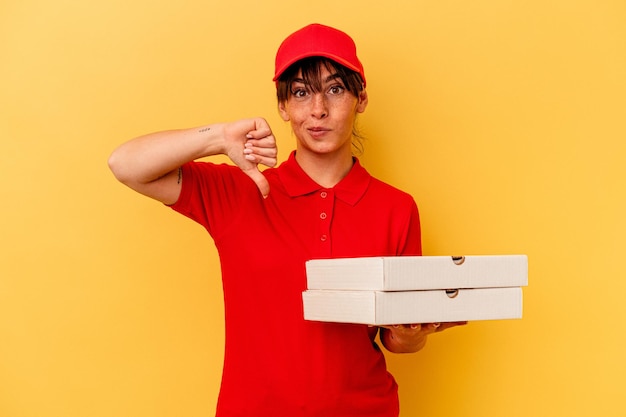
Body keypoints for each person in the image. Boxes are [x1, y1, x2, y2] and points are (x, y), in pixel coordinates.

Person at [109, 23, 465, 417]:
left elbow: (397, 342)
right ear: (282, 107)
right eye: (300, 92)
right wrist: (219, 138)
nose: (318, 110)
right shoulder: (241, 191)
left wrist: (409, 333)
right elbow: (126, 165)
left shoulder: (396, 208)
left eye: (335, 89)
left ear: (360, 98)